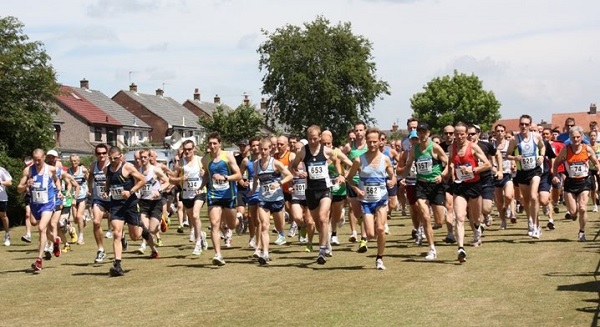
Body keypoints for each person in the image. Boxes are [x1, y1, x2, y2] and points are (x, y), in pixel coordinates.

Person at [346, 128, 396, 270]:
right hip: (366, 201)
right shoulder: (359, 160)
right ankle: (373, 230)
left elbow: (392, 175)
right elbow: (349, 178)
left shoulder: (385, 159)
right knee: (371, 234)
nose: (372, 144)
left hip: (381, 199)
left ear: (380, 141)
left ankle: (379, 258)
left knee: (380, 229)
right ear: (366, 142)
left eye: (375, 141)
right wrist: (357, 189)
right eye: (370, 142)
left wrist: (392, 181)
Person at [291, 125, 341, 264]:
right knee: (317, 223)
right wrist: (298, 173)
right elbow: (293, 166)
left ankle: (322, 250)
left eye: (314, 138)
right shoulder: (303, 152)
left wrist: (340, 174)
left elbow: (337, 159)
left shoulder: (326, 150)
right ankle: (327, 241)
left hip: (325, 188)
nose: (312, 141)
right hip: (310, 191)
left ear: (319, 137)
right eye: (309, 139)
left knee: (323, 217)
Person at [403, 123, 448, 260]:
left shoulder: (434, 147)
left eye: (424, 132)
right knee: (426, 217)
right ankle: (432, 249)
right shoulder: (414, 149)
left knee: (439, 221)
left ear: (429, 133)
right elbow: (409, 163)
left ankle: (444, 212)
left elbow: (447, 162)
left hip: (435, 185)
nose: (422, 135)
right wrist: (403, 177)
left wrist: (442, 175)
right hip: (421, 184)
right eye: (420, 132)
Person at [448, 122, 491, 263]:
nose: (459, 137)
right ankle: (460, 248)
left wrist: (473, 170)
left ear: (466, 134)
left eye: (462, 134)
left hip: (474, 185)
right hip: (460, 186)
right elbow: (451, 162)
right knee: (459, 217)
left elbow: (487, 164)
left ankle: (477, 229)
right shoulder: (452, 147)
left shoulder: (473, 147)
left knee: (476, 217)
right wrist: (451, 172)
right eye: (457, 134)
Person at [103, 146, 147, 276]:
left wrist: (131, 191)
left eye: (115, 158)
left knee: (135, 236)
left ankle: (142, 228)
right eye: (110, 158)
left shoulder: (127, 167)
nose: (113, 160)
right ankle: (117, 264)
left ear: (120, 156)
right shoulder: (107, 169)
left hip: (130, 204)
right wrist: (106, 192)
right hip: (116, 205)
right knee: (117, 233)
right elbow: (108, 182)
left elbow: (143, 180)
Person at [17, 149, 62, 272]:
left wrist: (58, 192)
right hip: (35, 204)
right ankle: (56, 240)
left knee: (42, 228)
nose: (37, 162)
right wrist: (27, 185)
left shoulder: (51, 169)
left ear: (44, 157)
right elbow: (19, 189)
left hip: (48, 203)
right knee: (43, 230)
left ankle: (39, 260)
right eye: (35, 160)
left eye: (39, 160)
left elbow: (57, 180)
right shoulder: (28, 171)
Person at [201, 132, 242, 266]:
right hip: (213, 195)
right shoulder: (205, 159)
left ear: (220, 144)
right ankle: (218, 254)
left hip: (228, 195)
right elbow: (207, 175)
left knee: (231, 225)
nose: (212, 146)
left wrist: (225, 178)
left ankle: (240, 220)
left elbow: (239, 175)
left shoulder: (228, 157)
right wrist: (201, 185)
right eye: (210, 143)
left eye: (215, 143)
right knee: (215, 223)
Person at [552, 126, 600, 241]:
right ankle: (573, 215)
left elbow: (595, 161)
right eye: (574, 137)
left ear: (582, 137)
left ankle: (582, 232)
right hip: (570, 183)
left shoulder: (587, 149)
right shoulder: (566, 150)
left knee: (583, 208)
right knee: (573, 212)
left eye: (578, 137)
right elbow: (557, 162)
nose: (576, 139)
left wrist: (598, 169)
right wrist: (554, 175)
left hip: (584, 182)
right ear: (570, 137)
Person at [250, 138, 293, 265]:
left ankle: (282, 227)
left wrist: (279, 183)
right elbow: (256, 179)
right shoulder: (256, 164)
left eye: (265, 149)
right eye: (261, 149)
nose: (263, 152)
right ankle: (265, 254)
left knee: (280, 227)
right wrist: (253, 190)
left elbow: (289, 175)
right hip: (263, 199)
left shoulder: (276, 163)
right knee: (264, 225)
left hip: (277, 199)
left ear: (270, 149)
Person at [506, 115, 546, 238]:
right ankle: (531, 221)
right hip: (522, 172)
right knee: (526, 200)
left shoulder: (536, 137)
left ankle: (535, 226)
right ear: (519, 125)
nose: (524, 126)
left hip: (535, 170)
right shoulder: (514, 140)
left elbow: (542, 147)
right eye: (522, 124)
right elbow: (507, 155)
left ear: (530, 125)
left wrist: (541, 156)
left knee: (534, 196)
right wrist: (515, 158)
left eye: (526, 124)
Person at [170, 140, 208, 255]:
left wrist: (204, 173)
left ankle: (198, 243)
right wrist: (180, 179)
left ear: (194, 149)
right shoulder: (180, 164)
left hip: (199, 192)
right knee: (192, 219)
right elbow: (171, 179)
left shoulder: (200, 160)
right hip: (186, 194)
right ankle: (201, 234)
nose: (187, 152)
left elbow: (208, 173)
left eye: (189, 149)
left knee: (196, 215)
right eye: (185, 149)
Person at [88, 144, 111, 263]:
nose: (101, 155)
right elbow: (90, 177)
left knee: (117, 227)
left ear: (107, 154)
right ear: (96, 154)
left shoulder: (112, 166)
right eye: (99, 153)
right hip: (99, 199)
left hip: (113, 199)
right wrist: (90, 188)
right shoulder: (93, 166)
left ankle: (122, 237)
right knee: (96, 222)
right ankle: (101, 250)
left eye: (103, 153)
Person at [274, 135, 295, 245]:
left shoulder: (291, 155)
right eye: (278, 144)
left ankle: (298, 225)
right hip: (279, 188)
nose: (279, 146)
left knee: (292, 210)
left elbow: (296, 170)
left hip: (291, 187)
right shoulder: (275, 157)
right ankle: (281, 235)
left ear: (287, 145)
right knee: (281, 210)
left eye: (282, 144)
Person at [68, 155, 89, 245]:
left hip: (82, 195)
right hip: (73, 196)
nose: (74, 162)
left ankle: (81, 236)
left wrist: (86, 173)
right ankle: (83, 219)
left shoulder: (82, 169)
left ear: (78, 161)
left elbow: (88, 178)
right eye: (72, 161)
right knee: (76, 219)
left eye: (75, 161)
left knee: (79, 216)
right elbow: (68, 183)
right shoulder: (69, 171)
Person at [0, 165, 12, 246]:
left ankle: (7, 235)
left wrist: (1, 182)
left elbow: (9, 182)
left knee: (3, 216)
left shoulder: (1, 170)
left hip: (1, 197)